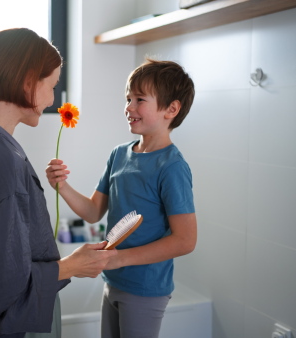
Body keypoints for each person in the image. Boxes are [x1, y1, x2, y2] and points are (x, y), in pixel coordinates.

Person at [0, 28, 116, 338]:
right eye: (51, 86)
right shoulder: (2, 160)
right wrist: (72, 265)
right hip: (4, 328)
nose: (53, 99)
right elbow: (3, 283)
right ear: (28, 81)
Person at [45, 59, 197, 338]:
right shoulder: (119, 154)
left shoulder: (172, 167)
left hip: (146, 289)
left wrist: (119, 259)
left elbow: (185, 240)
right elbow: (92, 212)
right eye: (128, 99)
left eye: (140, 99)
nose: (128, 107)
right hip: (113, 280)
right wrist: (62, 186)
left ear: (171, 109)